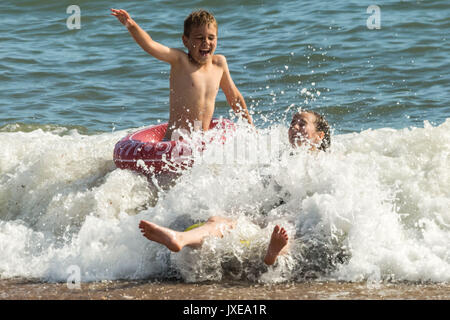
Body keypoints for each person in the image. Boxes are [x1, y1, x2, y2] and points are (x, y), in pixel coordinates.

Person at [139, 110, 331, 266]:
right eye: (292, 123)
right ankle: (180, 238)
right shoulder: (280, 160)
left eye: (302, 123)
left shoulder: (325, 164)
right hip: (268, 214)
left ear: (318, 136)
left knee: (284, 229)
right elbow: (264, 192)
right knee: (218, 220)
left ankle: (273, 254)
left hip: (295, 219)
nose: (294, 127)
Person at [111, 8, 254, 141]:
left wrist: (250, 127)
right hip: (175, 142)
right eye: (199, 37)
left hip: (200, 141)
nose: (206, 42)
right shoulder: (180, 61)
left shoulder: (220, 64)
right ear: (185, 41)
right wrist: (130, 24)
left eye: (211, 37)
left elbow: (234, 97)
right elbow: (150, 45)